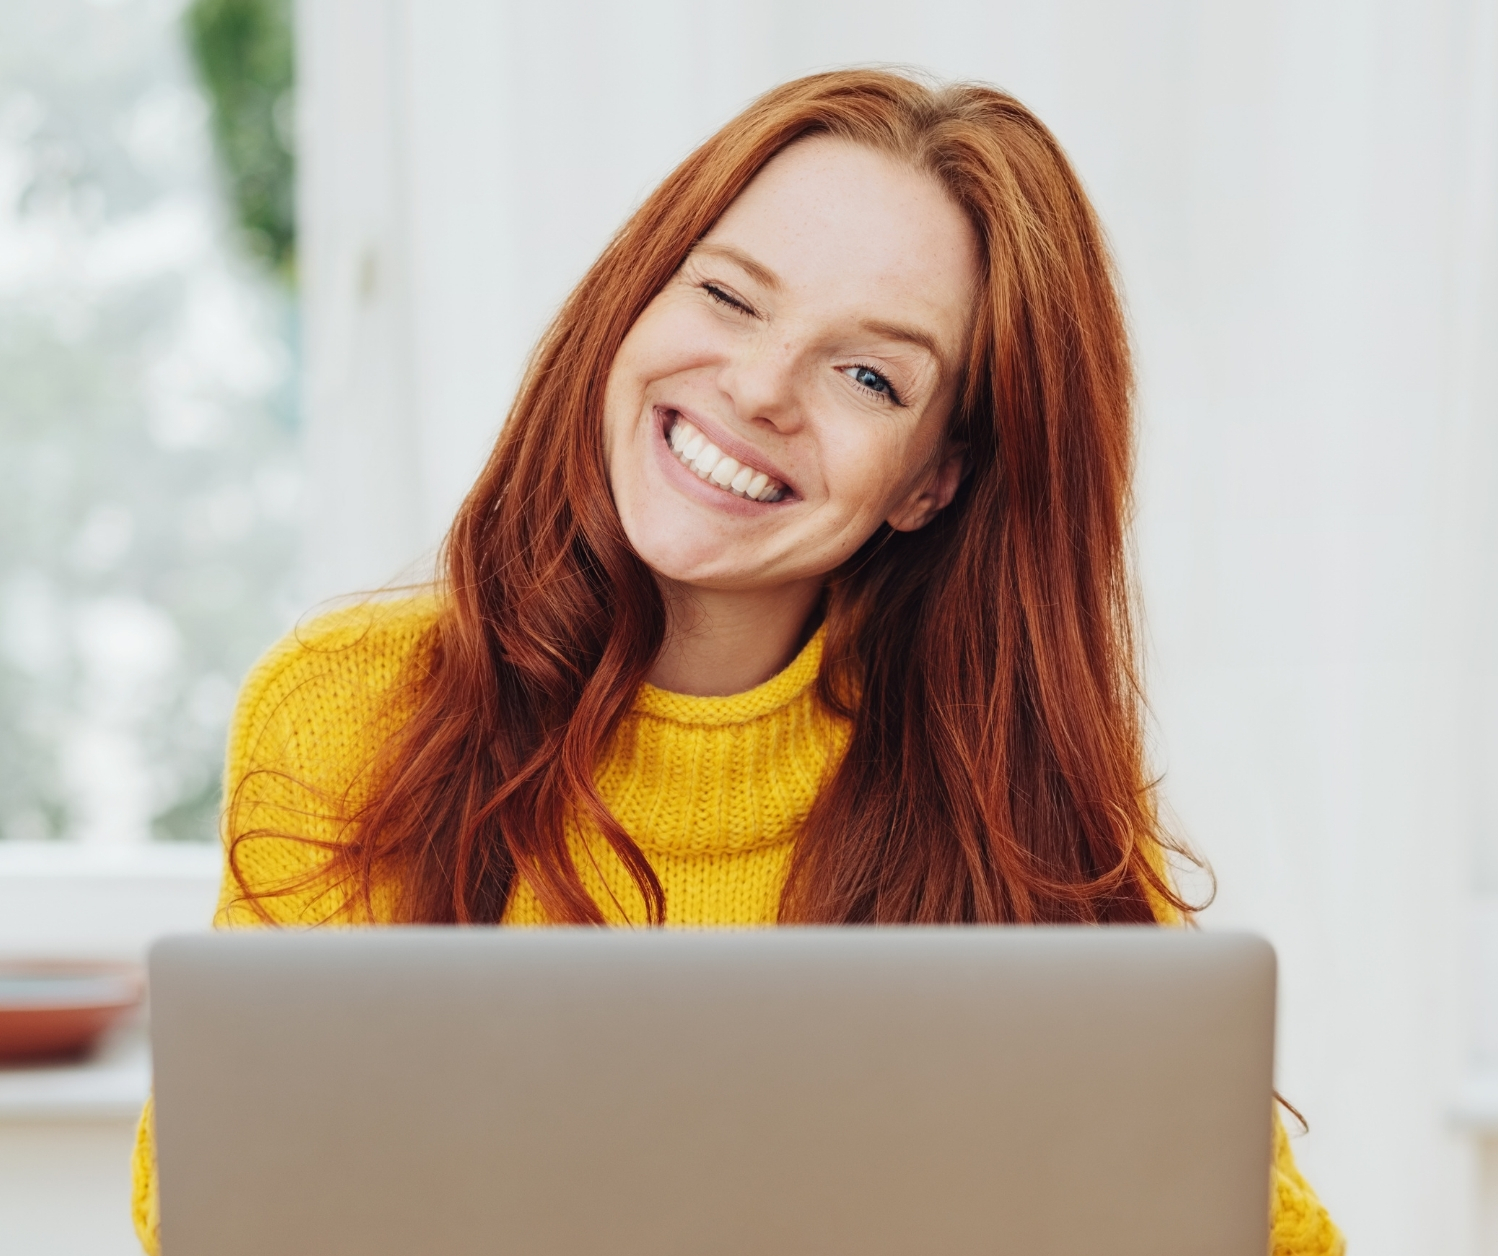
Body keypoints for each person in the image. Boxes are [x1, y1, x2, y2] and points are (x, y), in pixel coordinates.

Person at [130, 69, 1342, 1254]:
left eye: (868, 375)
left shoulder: (1007, 794)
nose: (759, 387)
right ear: (637, 300)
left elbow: (1266, 1235)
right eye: (729, 296)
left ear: (933, 479)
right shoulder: (353, 707)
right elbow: (223, 1208)